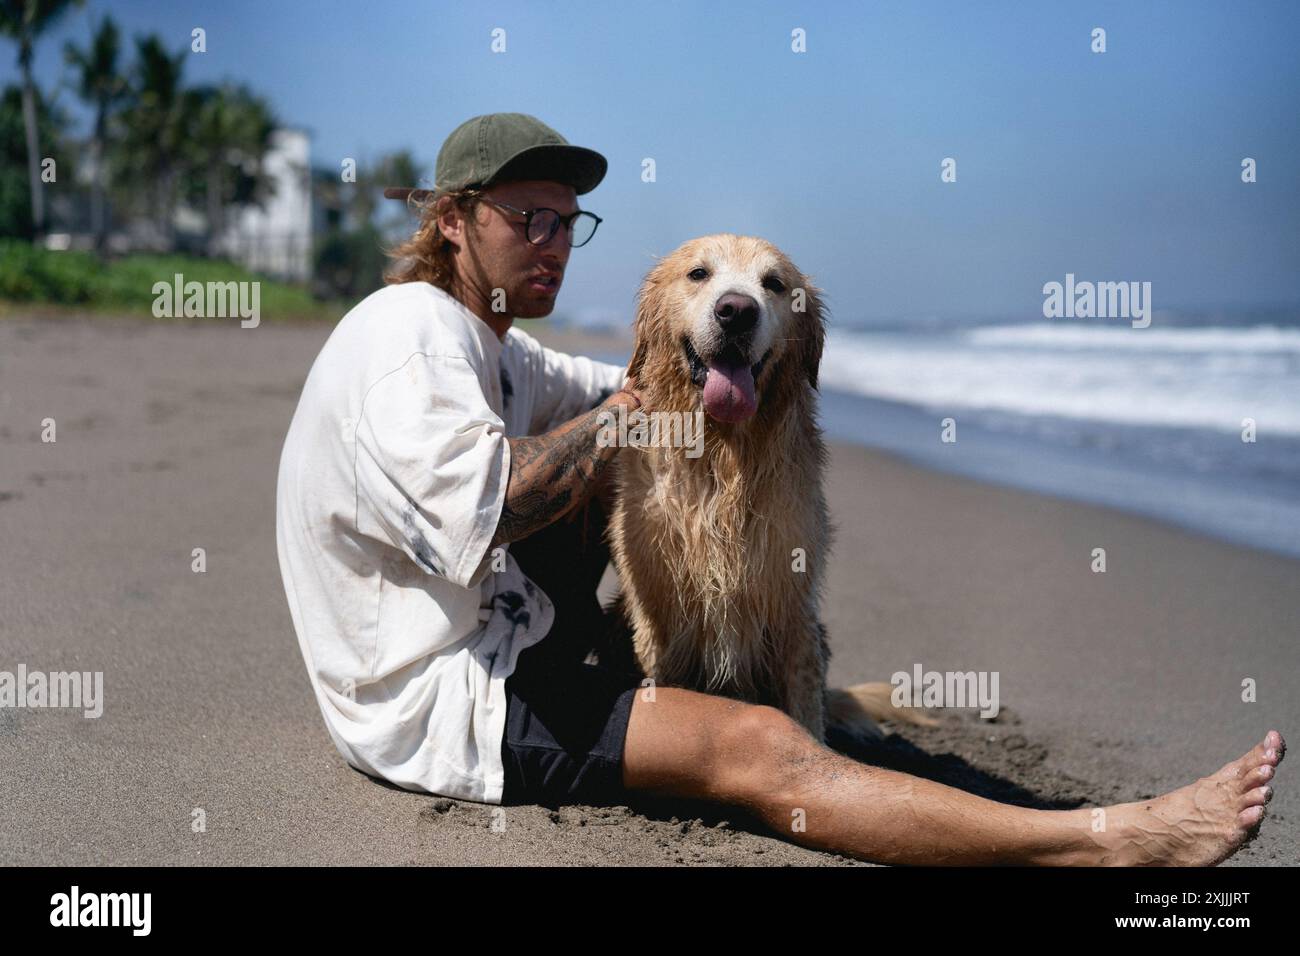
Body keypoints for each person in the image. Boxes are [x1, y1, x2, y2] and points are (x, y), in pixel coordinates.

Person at [276, 112, 1285, 865]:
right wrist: (633, 414)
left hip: (504, 634)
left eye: (566, 223)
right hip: (444, 703)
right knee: (760, 749)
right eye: (525, 218)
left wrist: (727, 378)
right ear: (451, 223)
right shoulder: (405, 338)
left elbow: (633, 386)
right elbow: (501, 496)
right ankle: (1102, 840)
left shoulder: (494, 347)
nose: (549, 242)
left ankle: (720, 692)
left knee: (620, 453)